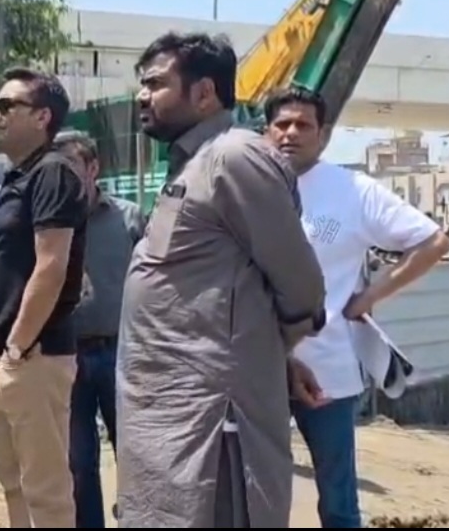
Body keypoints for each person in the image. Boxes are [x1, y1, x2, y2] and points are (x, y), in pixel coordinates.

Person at [117, 32, 327, 528]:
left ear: (205, 92)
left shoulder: (233, 158)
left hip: (212, 428)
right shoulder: (194, 163)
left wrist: (265, 353)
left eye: (155, 84)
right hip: (170, 416)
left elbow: (301, 286)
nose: (142, 96)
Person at [264, 86, 449, 528]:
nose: (291, 133)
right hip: (259, 366)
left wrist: (368, 298)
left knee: (338, 501)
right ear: (266, 131)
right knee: (258, 495)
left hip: (328, 370)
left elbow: (432, 241)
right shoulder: (249, 186)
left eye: (303, 125)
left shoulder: (352, 190)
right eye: (282, 124)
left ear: (324, 134)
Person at [0, 68, 89, 528]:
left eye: (7, 106)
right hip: (0, 359)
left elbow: (51, 266)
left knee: (46, 492)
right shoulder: (16, 177)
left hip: (33, 358)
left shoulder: (54, 172)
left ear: (42, 117)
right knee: (14, 483)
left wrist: (17, 349)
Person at [53, 131, 144, 528]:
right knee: (77, 462)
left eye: (71, 167)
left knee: (136, 456)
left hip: (123, 355)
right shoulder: (47, 223)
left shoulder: (129, 218)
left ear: (93, 168)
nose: (63, 177)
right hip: (66, 357)